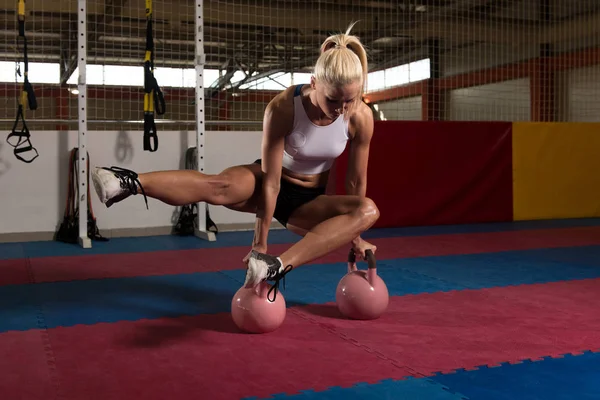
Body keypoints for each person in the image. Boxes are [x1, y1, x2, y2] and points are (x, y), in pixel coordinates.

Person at [91, 22, 380, 301]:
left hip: (308, 204)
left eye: (350, 100)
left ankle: (276, 267)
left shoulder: (360, 117)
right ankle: (125, 181)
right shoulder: (283, 108)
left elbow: (355, 183)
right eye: (333, 100)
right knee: (220, 186)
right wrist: (259, 244)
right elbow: (271, 180)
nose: (340, 109)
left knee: (368, 210)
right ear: (314, 83)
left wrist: (355, 238)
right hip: (265, 183)